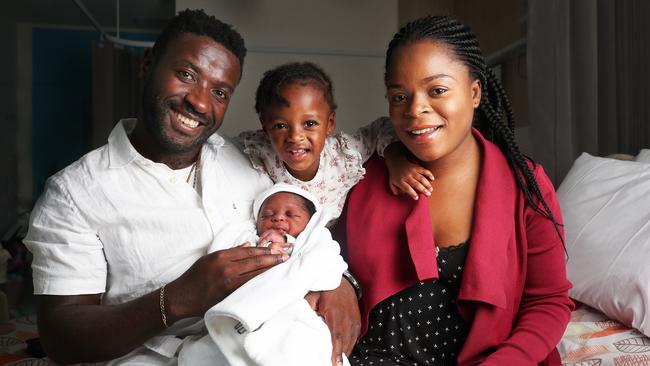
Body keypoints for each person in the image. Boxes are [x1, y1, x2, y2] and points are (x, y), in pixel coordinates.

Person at [23, 9, 360, 365]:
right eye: (186, 74)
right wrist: (178, 299)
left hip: (260, 346)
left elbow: (300, 231)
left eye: (219, 92)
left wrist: (341, 281)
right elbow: (61, 336)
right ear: (148, 64)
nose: (199, 102)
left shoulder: (246, 159)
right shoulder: (74, 194)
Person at [335, 16, 574, 365]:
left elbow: (548, 301)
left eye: (437, 90)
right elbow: (317, 248)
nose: (415, 110)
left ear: (474, 93)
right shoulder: (360, 174)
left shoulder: (525, 184)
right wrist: (339, 281)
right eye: (399, 96)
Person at [236, 62, 436, 219]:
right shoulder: (258, 149)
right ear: (265, 127)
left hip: (327, 247)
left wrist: (397, 161)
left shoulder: (342, 155)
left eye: (310, 124)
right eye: (280, 126)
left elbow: (382, 128)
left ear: (330, 123)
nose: (295, 137)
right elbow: (218, 147)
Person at [181, 183, 351, 365]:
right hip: (246, 307)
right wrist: (261, 248)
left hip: (293, 309)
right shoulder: (248, 239)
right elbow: (224, 264)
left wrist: (288, 243)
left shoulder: (311, 242)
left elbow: (325, 264)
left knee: (300, 343)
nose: (278, 218)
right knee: (206, 353)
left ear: (310, 222)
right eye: (268, 215)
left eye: (290, 215)